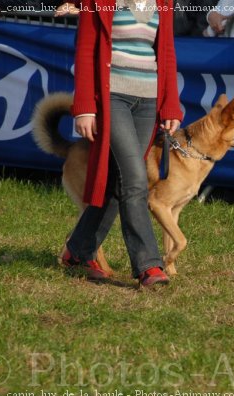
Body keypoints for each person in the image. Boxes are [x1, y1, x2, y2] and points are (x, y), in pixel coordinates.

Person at [61, 0, 183, 287]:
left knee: (119, 183)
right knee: (135, 180)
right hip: (112, 97)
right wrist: (84, 108)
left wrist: (170, 107)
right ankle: (148, 266)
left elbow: (166, 52)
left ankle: (77, 250)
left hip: (147, 100)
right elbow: (86, 49)